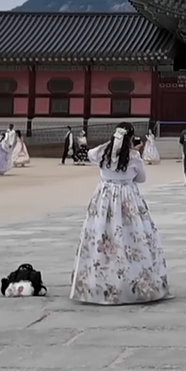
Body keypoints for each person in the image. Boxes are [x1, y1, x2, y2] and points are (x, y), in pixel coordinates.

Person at [70, 124, 169, 305]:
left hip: (104, 197)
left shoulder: (102, 153)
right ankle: (134, 281)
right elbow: (141, 179)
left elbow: (91, 154)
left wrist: (111, 144)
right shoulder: (133, 157)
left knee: (102, 236)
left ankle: (98, 281)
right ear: (131, 138)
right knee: (131, 238)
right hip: (127, 198)